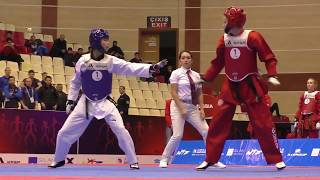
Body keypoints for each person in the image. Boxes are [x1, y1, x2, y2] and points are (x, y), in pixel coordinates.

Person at [48, 28, 167, 169]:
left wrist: (151, 68)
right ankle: (59, 159)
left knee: (121, 130)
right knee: (64, 132)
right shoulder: (83, 61)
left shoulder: (111, 61)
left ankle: (133, 161)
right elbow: (75, 82)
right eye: (105, 40)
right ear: (96, 42)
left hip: (105, 101)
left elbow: (130, 67)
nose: (107, 43)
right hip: (86, 102)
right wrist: (71, 100)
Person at [196, 7, 286, 170]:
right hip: (230, 85)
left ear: (233, 21)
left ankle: (276, 158)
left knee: (263, 123)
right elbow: (218, 62)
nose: (223, 22)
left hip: (250, 85)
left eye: (225, 20)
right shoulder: (223, 39)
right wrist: (206, 78)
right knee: (217, 123)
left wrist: (272, 74)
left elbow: (268, 57)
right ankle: (210, 158)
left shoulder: (253, 36)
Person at [159, 50, 225, 168]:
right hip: (178, 105)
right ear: (180, 60)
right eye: (183, 58)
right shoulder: (175, 73)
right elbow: (173, 92)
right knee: (178, 135)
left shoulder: (196, 75)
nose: (186, 60)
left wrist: (202, 109)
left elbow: (199, 93)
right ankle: (164, 159)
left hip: (192, 107)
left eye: (188, 58)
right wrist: (181, 108)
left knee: (206, 131)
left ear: (191, 60)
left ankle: (212, 159)